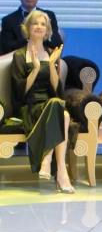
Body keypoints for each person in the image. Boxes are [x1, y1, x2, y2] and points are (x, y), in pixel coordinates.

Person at [10, 10, 74, 193]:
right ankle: (56, 168)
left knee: (60, 109)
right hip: (30, 107)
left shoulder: (50, 53)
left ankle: (57, 167)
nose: (39, 27)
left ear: (47, 31)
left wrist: (54, 66)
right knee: (62, 112)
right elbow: (19, 92)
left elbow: (57, 90)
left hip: (51, 103)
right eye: (35, 23)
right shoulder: (19, 56)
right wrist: (36, 69)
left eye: (43, 24)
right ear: (27, 28)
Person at [1, 0, 100, 92]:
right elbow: (7, 47)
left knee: (59, 66)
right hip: (20, 62)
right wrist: (31, 38)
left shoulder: (49, 16)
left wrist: (41, 37)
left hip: (46, 59)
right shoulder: (8, 20)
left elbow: (57, 42)